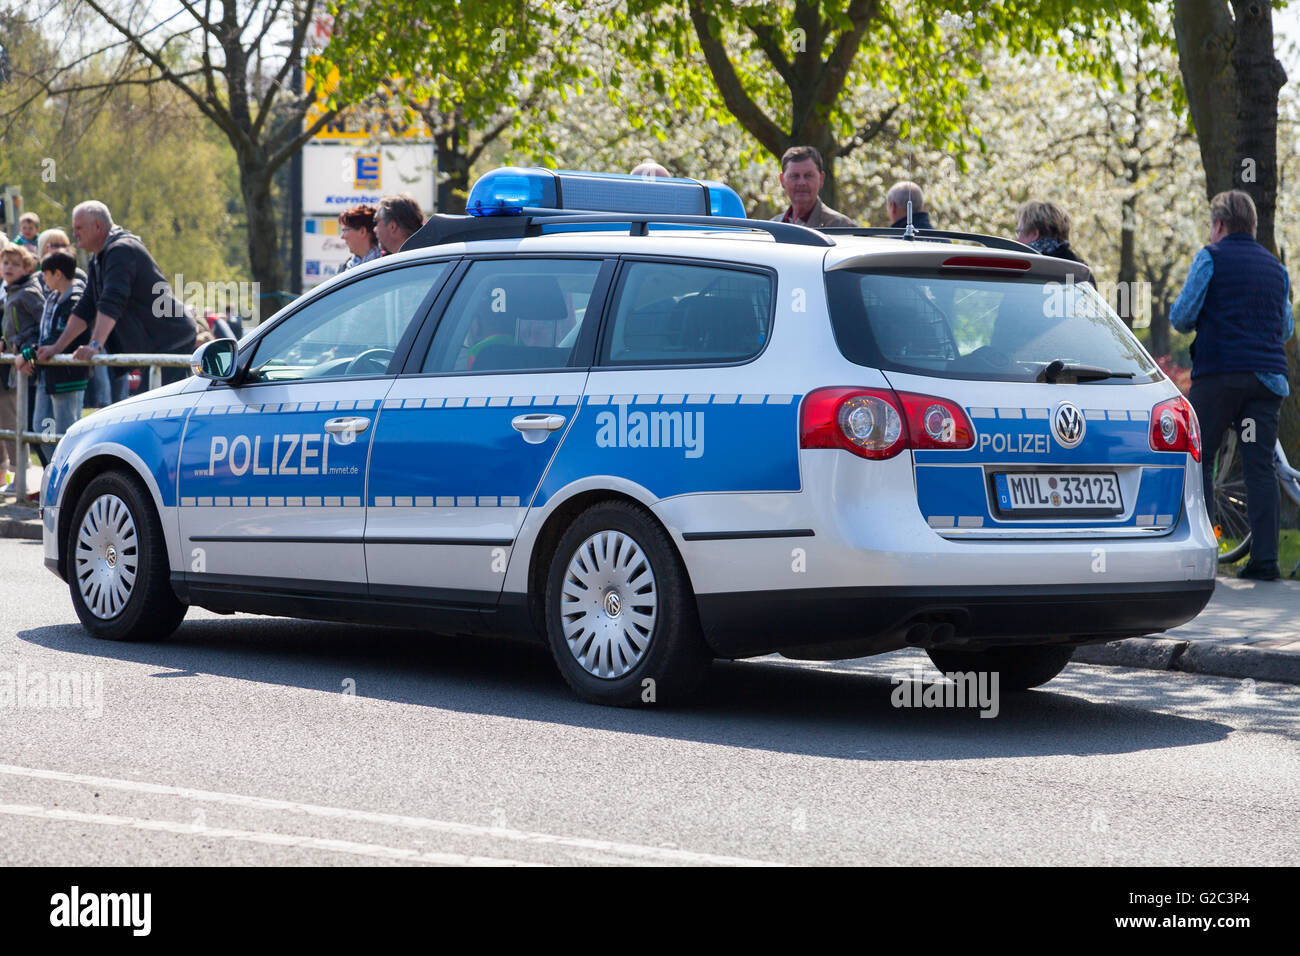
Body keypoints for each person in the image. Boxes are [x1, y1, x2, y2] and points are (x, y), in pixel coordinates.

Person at [1171, 190, 1293, 580]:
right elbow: (1286, 327)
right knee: (1260, 467)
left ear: (1219, 225)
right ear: (1253, 227)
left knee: (1200, 458)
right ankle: (1265, 561)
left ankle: (1204, 555)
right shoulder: (1277, 269)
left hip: (1220, 376)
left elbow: (1182, 316)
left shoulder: (1211, 257)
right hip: (1265, 381)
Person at [38, 201, 195, 389]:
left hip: (171, 339)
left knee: (161, 408)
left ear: (97, 226)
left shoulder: (121, 250)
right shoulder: (99, 257)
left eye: (79, 228)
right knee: (151, 406)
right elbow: (86, 306)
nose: (75, 234)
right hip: (159, 344)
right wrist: (57, 347)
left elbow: (112, 300)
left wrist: (94, 345)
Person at [26, 251, 88, 450]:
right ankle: (52, 472)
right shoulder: (53, 299)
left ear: (58, 274)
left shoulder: (75, 300)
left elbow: (59, 339)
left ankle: (68, 476)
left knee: (66, 430)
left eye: (45, 273)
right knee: (40, 428)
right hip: (48, 373)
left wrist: (27, 354)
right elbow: (45, 336)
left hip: (67, 376)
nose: (43, 278)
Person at [2, 242, 47, 469]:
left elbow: (44, 323)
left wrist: (24, 346)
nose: (9, 268)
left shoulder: (28, 292)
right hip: (15, 365)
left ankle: (29, 473)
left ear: (27, 268)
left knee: (31, 424)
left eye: (15, 264)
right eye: (5, 263)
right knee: (19, 422)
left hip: (30, 364)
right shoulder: (11, 292)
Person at [769, 146, 855, 228]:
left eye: (808, 175)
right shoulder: (771, 228)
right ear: (782, 180)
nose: (801, 183)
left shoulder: (841, 226)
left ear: (821, 179)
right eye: (794, 176)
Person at [1014, 199, 1093, 281]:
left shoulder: (1024, 269)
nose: (1016, 239)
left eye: (1019, 232)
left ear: (1034, 234)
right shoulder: (1081, 272)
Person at [337, 203, 382, 272]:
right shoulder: (346, 266)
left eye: (345, 230)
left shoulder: (386, 263)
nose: (342, 237)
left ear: (362, 232)